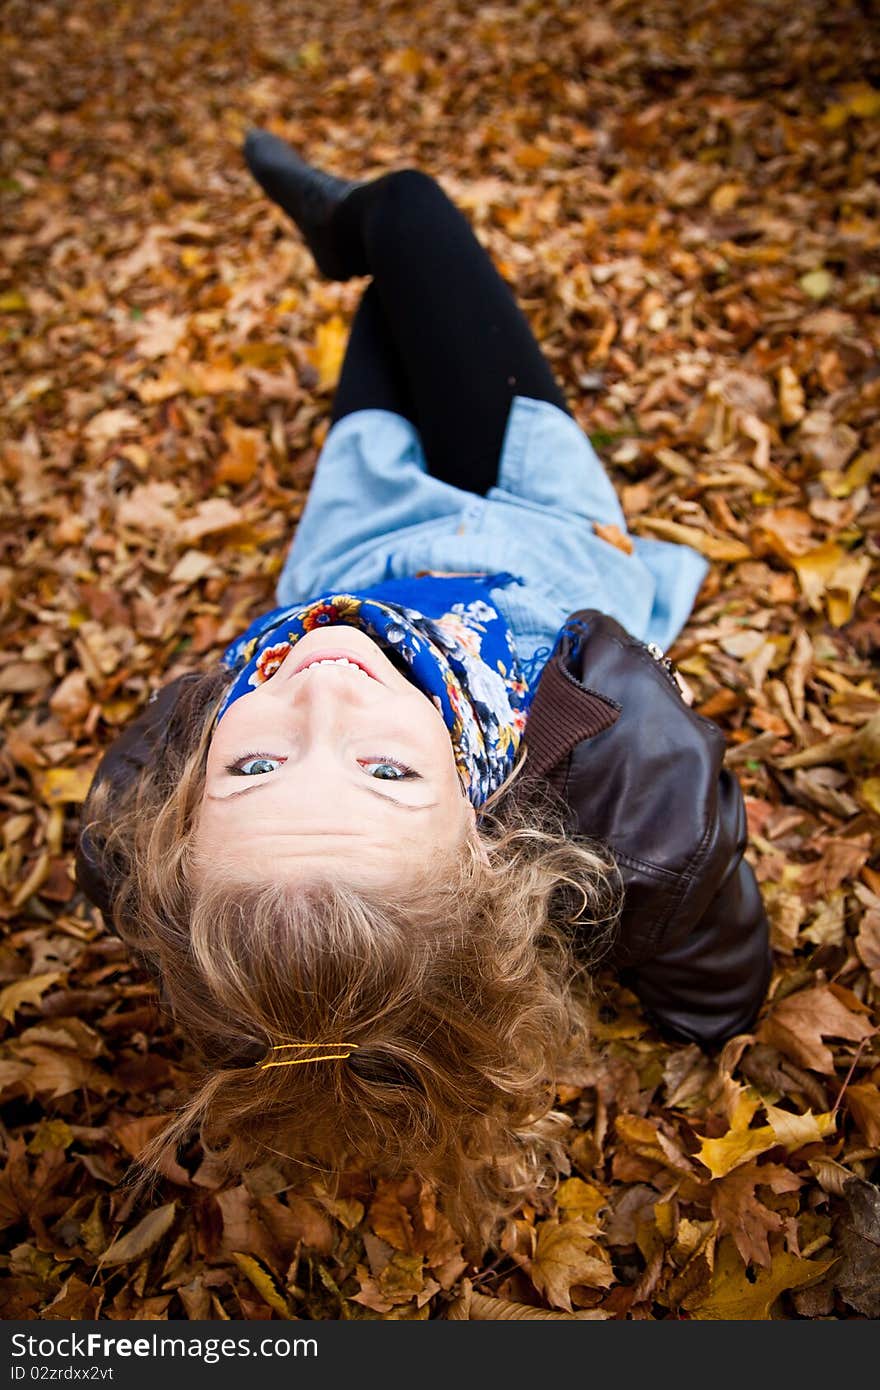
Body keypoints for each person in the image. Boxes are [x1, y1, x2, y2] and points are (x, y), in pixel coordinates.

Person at [76, 132, 771, 1247]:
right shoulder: (642, 800)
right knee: (405, 219)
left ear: (182, 821)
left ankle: (348, 241)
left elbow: (133, 864)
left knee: (386, 312)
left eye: (253, 766)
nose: (322, 696)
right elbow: (713, 956)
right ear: (488, 854)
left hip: (355, 555)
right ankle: (357, 227)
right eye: (386, 771)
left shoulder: (149, 817)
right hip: (537, 532)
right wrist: (708, 1029)